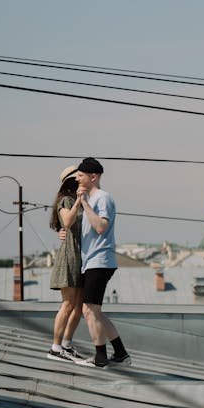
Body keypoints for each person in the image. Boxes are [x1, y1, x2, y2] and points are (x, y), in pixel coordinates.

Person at [74, 156, 131, 368]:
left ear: (93, 176)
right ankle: (121, 353)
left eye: (80, 176)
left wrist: (85, 205)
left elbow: (100, 227)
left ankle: (100, 358)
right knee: (94, 311)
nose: (77, 179)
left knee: (89, 310)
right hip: (92, 261)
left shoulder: (103, 198)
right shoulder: (90, 198)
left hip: (100, 260)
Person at [47, 165, 85, 362]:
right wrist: (79, 199)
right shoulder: (66, 200)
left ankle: (67, 345)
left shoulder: (80, 200)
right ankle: (55, 347)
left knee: (78, 306)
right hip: (69, 257)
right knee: (68, 304)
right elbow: (68, 221)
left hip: (80, 257)